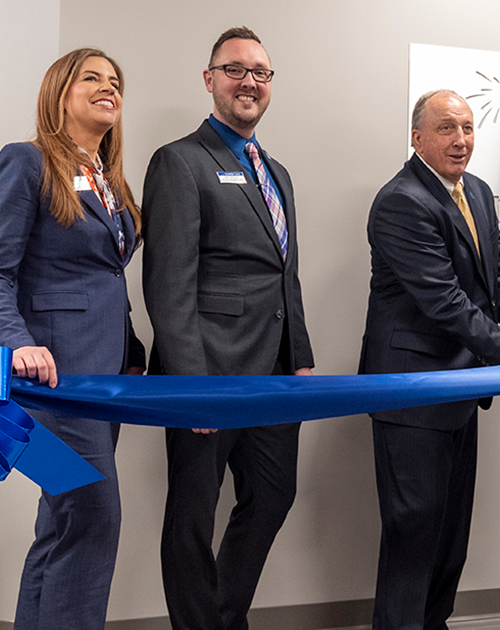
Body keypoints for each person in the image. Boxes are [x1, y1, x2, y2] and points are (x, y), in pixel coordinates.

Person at [359, 89, 500, 630]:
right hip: (412, 393)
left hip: (461, 388)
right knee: (413, 529)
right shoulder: (401, 200)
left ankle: (434, 622)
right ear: (417, 137)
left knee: (449, 531)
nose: (461, 140)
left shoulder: (480, 192)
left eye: (468, 128)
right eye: (447, 128)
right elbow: (444, 300)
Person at [141, 26, 313, 630]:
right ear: (209, 78)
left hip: (273, 376)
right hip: (207, 373)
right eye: (236, 70)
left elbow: (284, 273)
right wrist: (192, 384)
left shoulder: (278, 173)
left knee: (273, 495)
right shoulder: (179, 161)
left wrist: (302, 356)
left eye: (261, 73)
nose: (250, 82)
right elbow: (168, 285)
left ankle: (218, 617)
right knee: (192, 514)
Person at [0, 47, 141, 630]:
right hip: (52, 381)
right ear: (59, 93)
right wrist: (16, 341)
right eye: (91, 77)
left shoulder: (109, 181)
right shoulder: (26, 161)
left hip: (105, 380)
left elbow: (105, 279)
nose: (107, 87)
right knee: (93, 517)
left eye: (114, 80)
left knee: (65, 523)